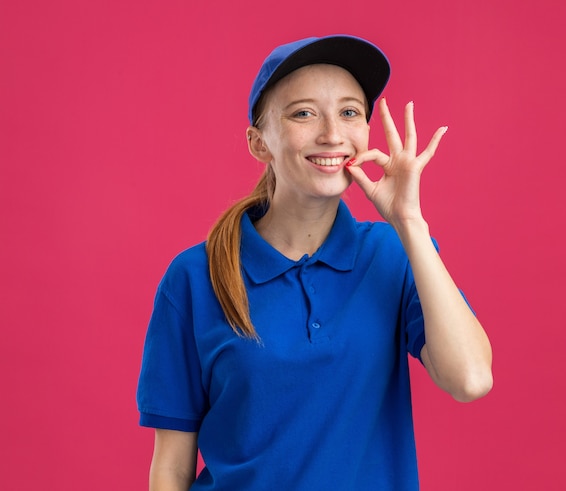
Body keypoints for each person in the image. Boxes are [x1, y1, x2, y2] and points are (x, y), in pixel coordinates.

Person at [137, 34, 493, 491]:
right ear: (258, 142)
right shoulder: (193, 278)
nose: (331, 133)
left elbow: (470, 378)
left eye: (349, 112)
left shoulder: (392, 255)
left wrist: (410, 222)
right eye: (303, 113)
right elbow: (171, 467)